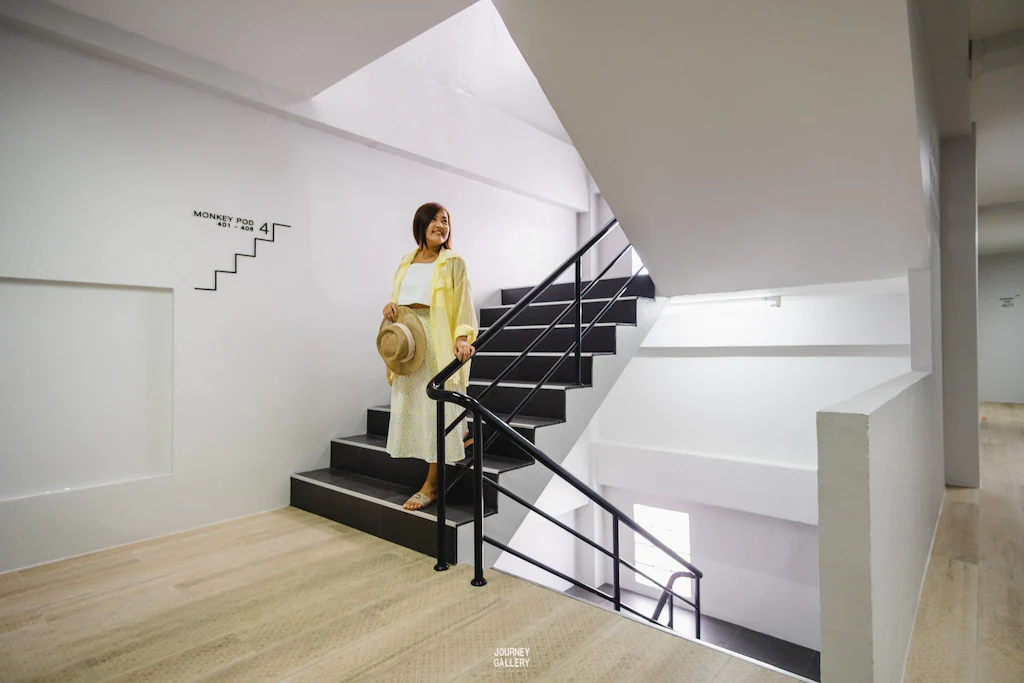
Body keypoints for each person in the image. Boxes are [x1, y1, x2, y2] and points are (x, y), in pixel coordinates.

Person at [383, 202, 477, 510]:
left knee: (437, 408)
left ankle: (432, 485)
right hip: (409, 340)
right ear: (421, 225)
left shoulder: (453, 262)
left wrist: (462, 337)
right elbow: (399, 298)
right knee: (417, 408)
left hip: (437, 341)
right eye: (434, 220)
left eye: (445, 220)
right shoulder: (405, 262)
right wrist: (390, 306)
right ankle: (462, 431)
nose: (441, 225)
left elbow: (463, 303)